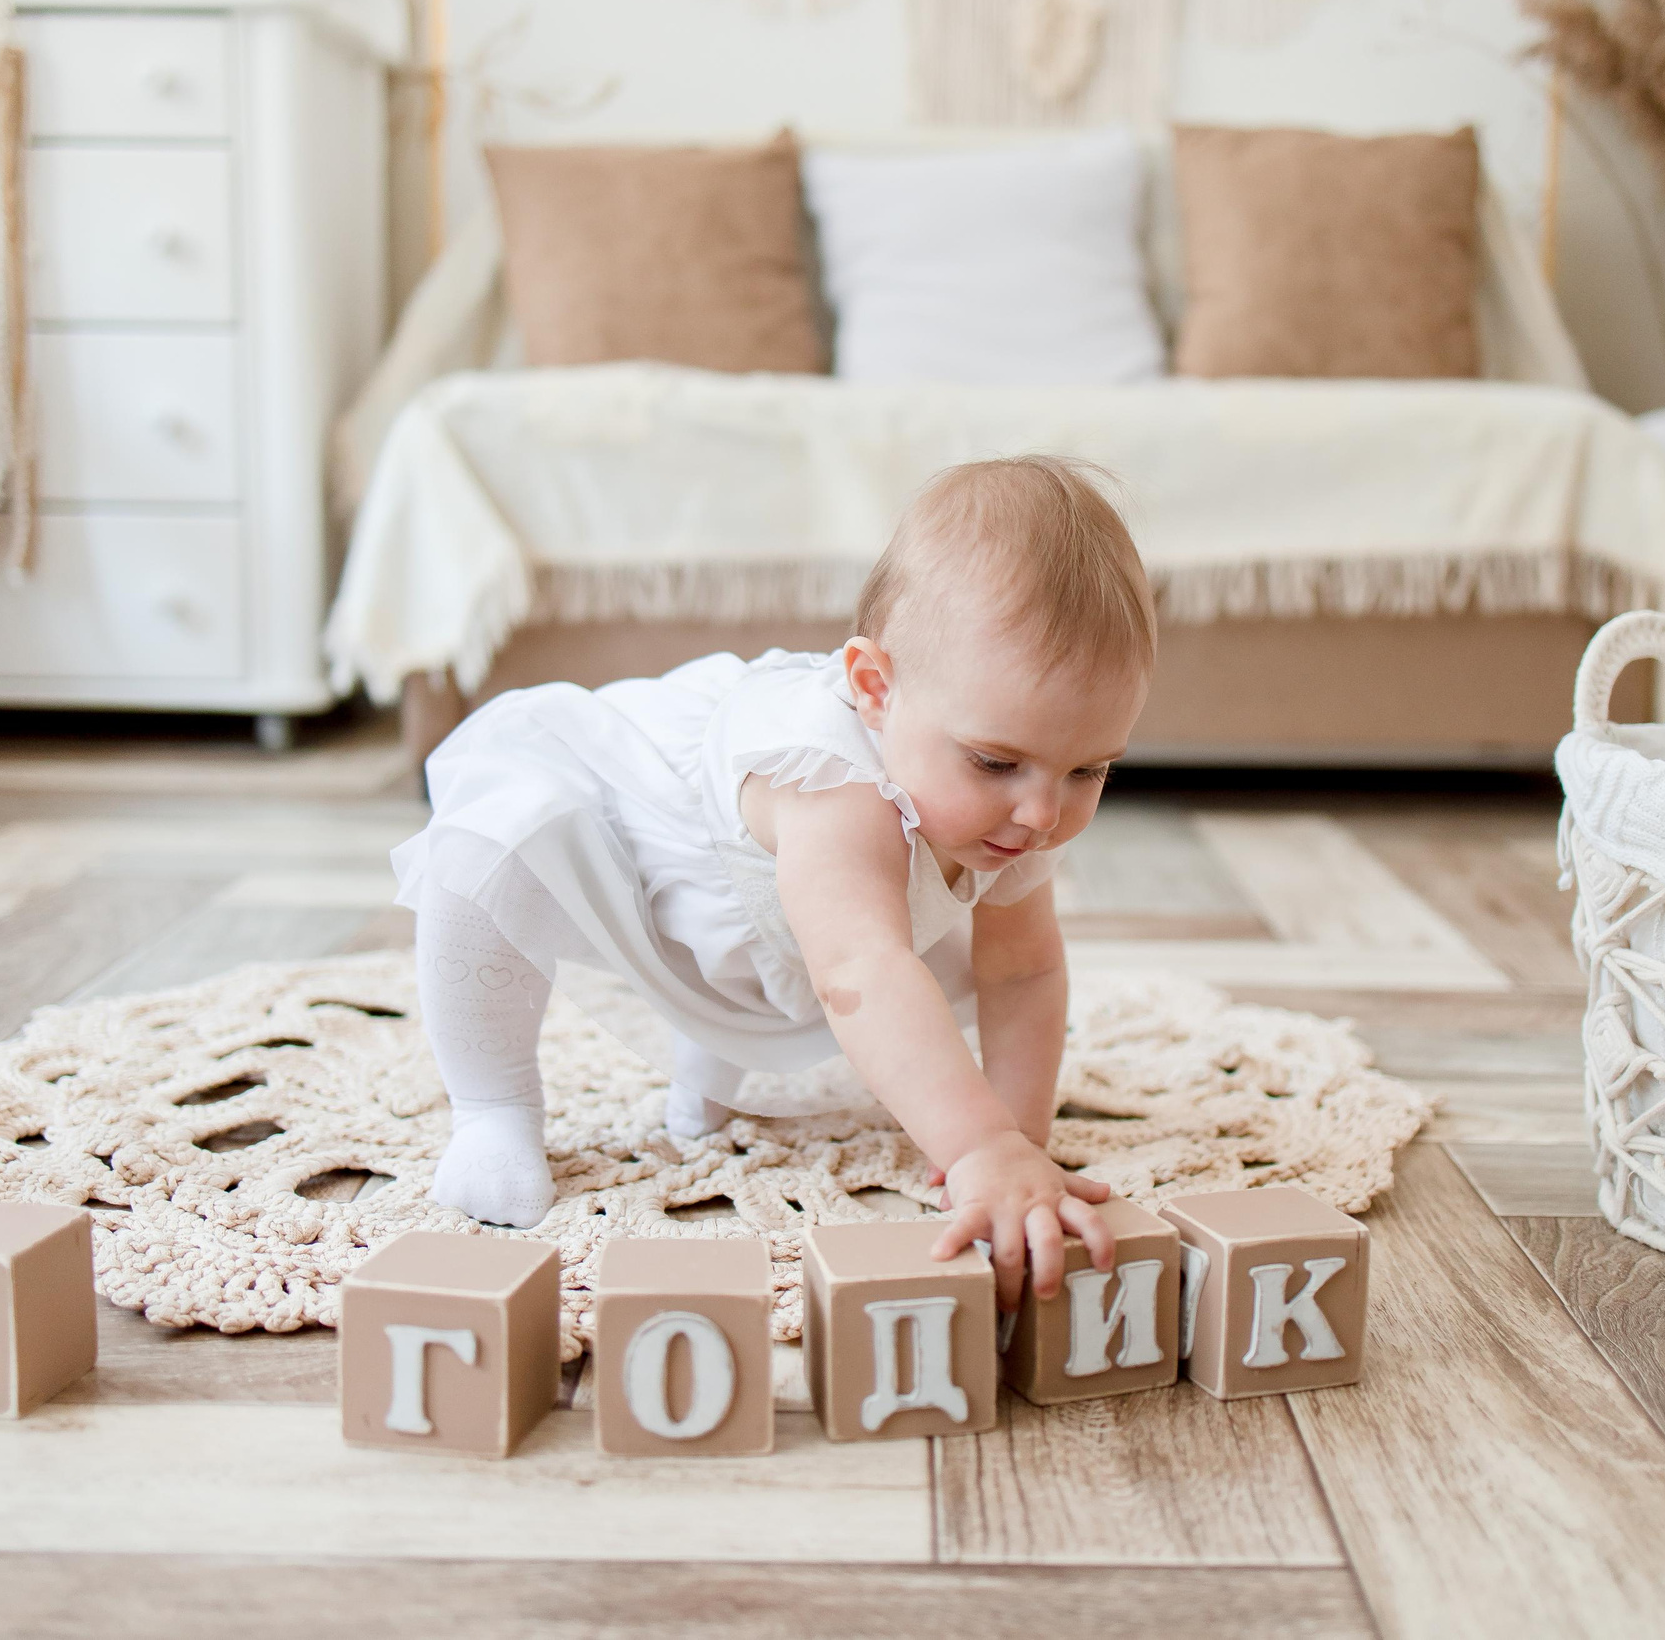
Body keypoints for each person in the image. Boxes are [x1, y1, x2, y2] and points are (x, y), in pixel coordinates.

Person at [395, 455, 1154, 1309]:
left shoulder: (1020, 806)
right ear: (875, 690)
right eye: (996, 761)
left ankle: (709, 1061)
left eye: (1091, 769)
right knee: (492, 852)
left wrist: (1019, 1147)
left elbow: (1023, 972)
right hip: (640, 844)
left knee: (946, 958)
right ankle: (491, 1110)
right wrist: (974, 1147)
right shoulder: (834, 785)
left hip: (785, 918)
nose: (1043, 813)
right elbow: (859, 970)